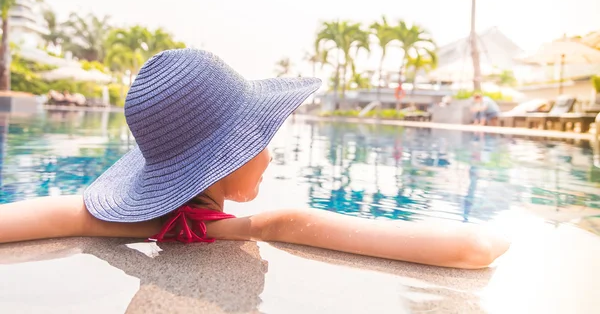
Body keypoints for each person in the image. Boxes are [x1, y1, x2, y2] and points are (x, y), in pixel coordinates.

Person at [0, 49, 510, 269]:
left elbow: (53, 213)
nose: (268, 153)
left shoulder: (129, 222)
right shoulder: (274, 222)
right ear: (228, 155)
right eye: (257, 138)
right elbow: (473, 248)